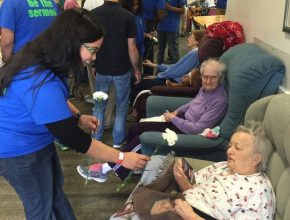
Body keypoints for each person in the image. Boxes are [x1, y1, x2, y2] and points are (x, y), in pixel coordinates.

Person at [0, 9, 150, 220]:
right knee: (40, 208)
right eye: (92, 50)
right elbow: (73, 138)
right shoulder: (40, 79)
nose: (94, 57)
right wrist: (122, 158)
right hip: (18, 150)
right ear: (72, 43)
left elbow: (57, 100)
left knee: (55, 195)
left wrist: (79, 116)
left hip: (37, 140)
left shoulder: (48, 58)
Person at [77, 58, 227, 182]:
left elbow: (197, 128)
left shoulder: (219, 100)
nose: (208, 81)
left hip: (185, 130)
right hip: (179, 121)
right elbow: (191, 104)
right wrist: (178, 111)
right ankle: (133, 165)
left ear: (219, 78)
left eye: (213, 77)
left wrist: (174, 118)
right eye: (205, 77)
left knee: (141, 139)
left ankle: (103, 170)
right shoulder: (205, 89)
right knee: (135, 129)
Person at [111, 121, 275, 219]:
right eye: (230, 145)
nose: (229, 151)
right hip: (184, 202)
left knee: (143, 204)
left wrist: (190, 217)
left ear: (256, 158)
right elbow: (197, 190)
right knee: (161, 172)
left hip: (194, 215)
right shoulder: (224, 166)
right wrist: (183, 180)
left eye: (237, 148)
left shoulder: (258, 192)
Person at [129, 30, 204, 119]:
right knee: (142, 79)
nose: (188, 38)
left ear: (197, 41)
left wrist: (158, 75)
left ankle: (135, 112)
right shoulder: (195, 53)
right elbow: (176, 67)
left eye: (191, 37)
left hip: (173, 81)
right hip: (172, 78)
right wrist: (155, 65)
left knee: (137, 81)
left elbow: (176, 70)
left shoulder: (194, 54)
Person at [157, 0, 186, 65]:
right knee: (160, 51)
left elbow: (183, 10)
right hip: (160, 27)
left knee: (173, 52)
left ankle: (175, 72)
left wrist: (170, 8)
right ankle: (159, 70)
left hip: (172, 27)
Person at [142, 0, 166, 75]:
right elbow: (160, 17)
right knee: (148, 56)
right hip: (148, 25)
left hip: (134, 22)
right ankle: (147, 79)